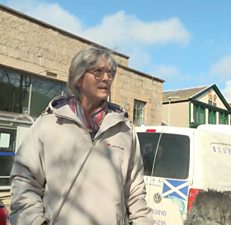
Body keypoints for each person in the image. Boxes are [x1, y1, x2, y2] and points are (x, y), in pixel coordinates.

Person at [9, 47, 154, 225]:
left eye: (110, 73)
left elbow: (136, 191)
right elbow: (25, 181)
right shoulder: (48, 124)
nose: (107, 78)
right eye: (98, 72)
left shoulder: (124, 130)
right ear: (78, 78)